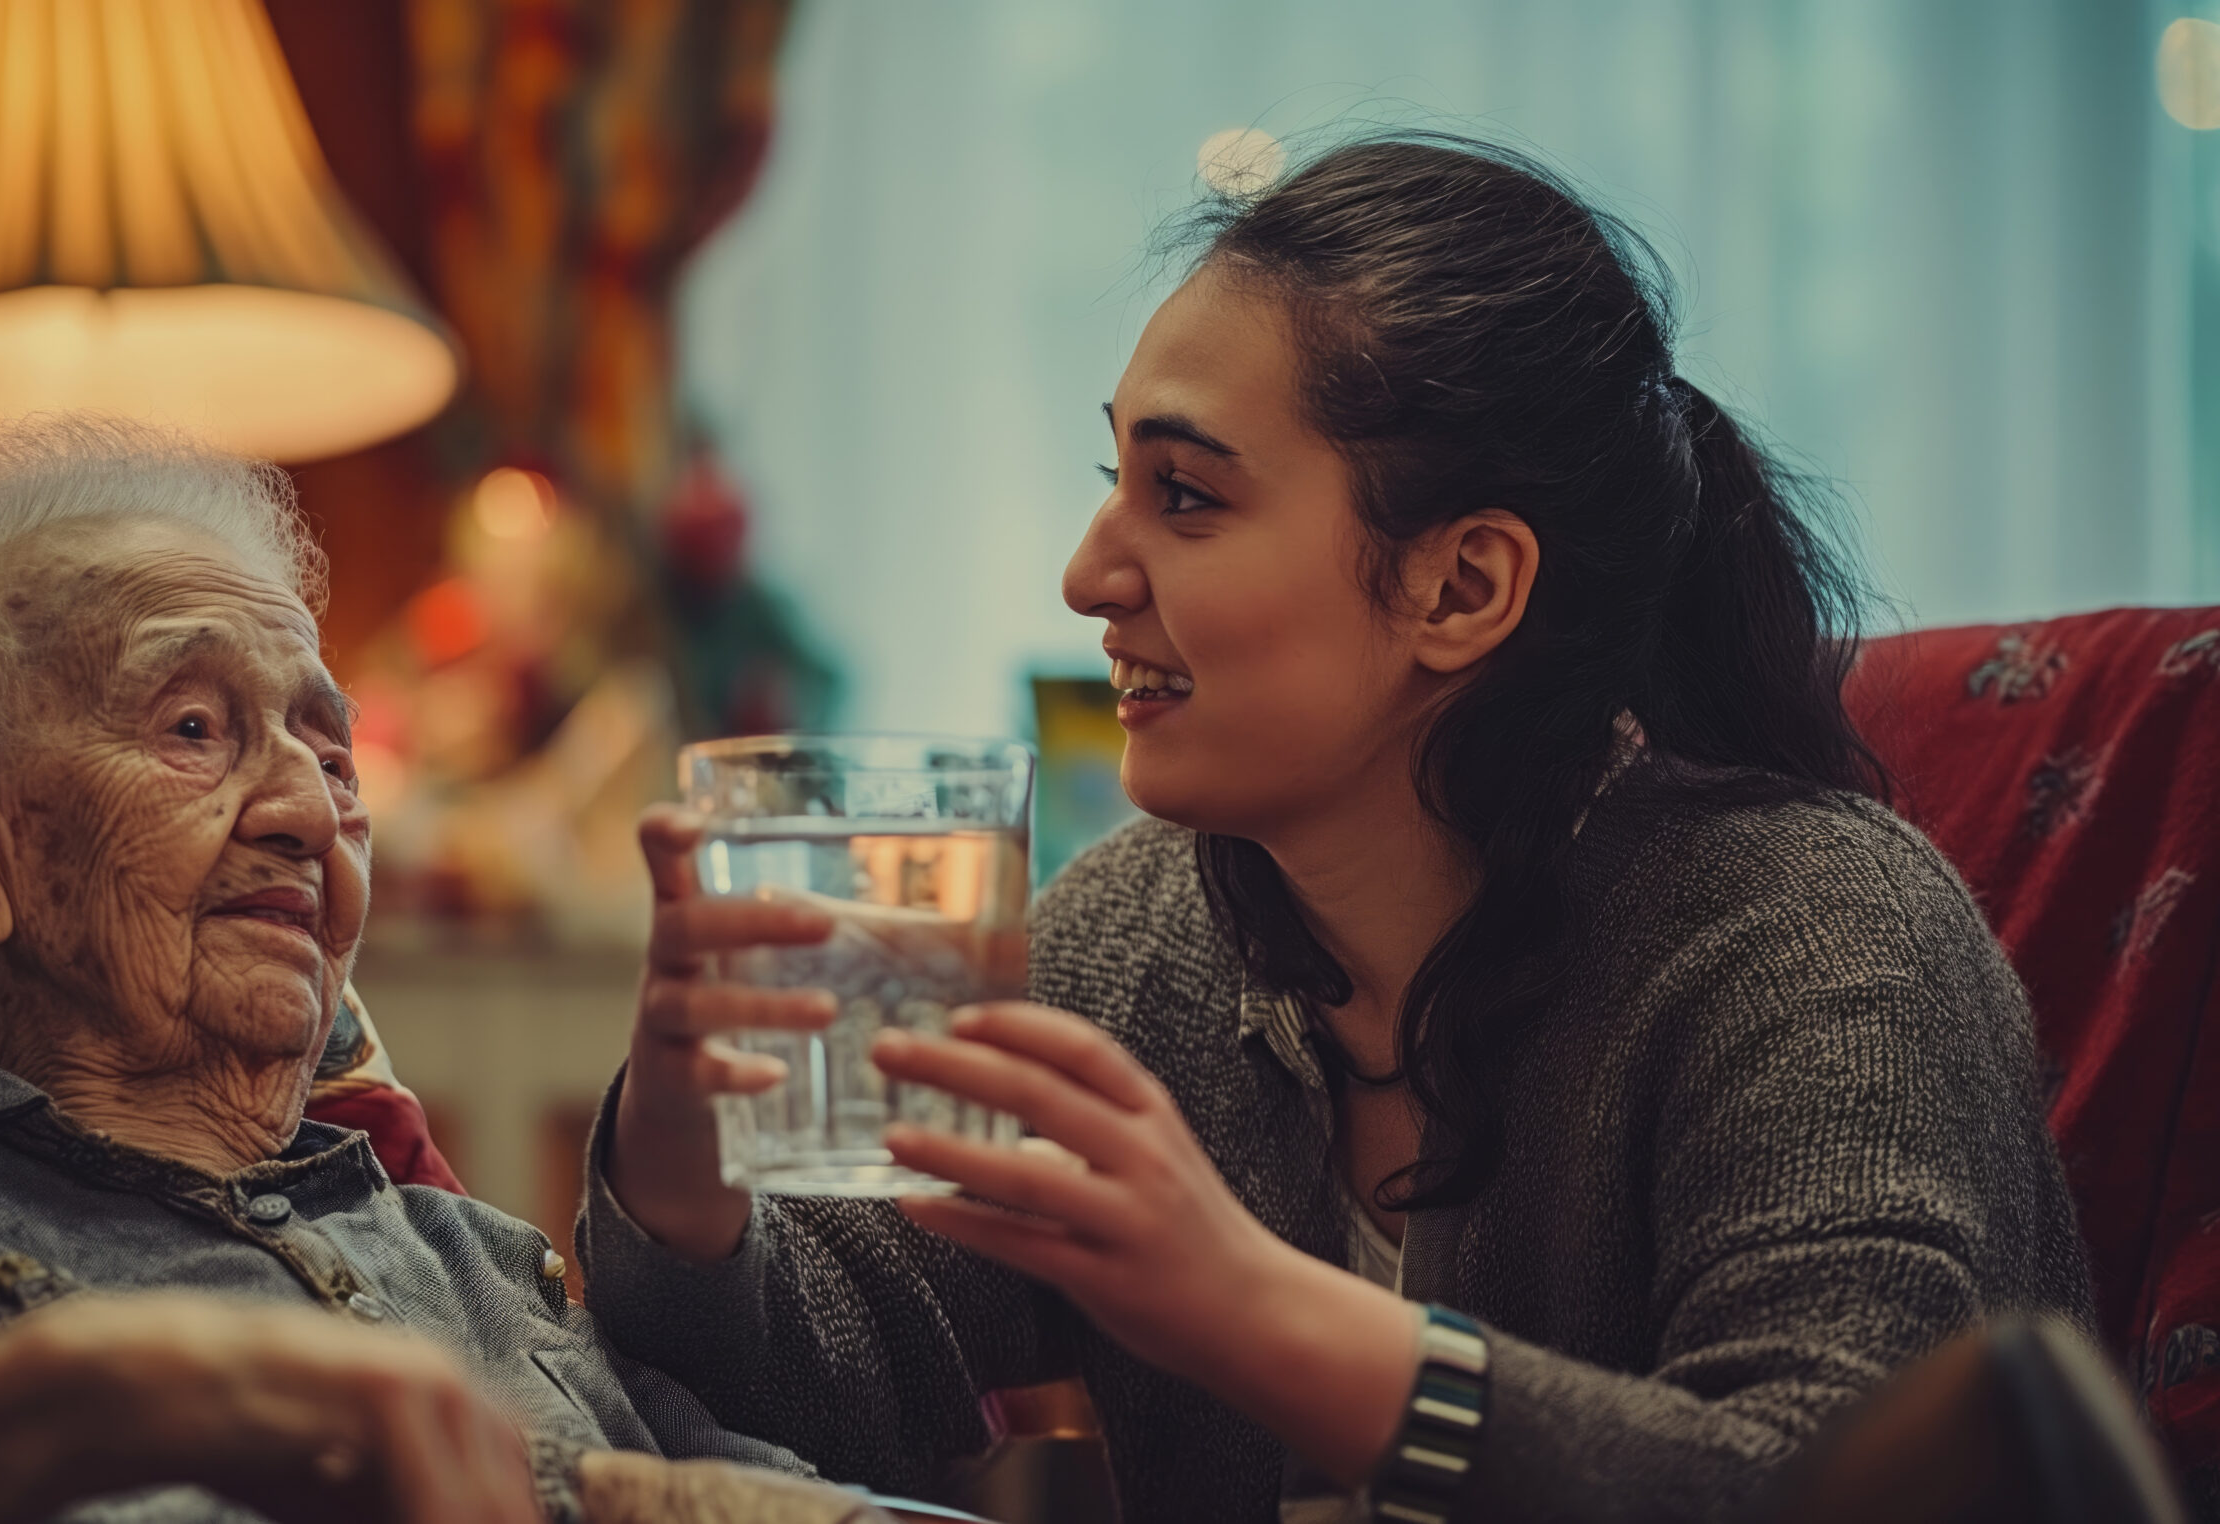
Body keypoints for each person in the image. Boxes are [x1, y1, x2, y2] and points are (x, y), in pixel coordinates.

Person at [578, 134, 2095, 1524]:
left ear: (1462, 588)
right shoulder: (1132, 943)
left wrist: (1247, 1305)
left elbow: (1837, 1487)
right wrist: (680, 1171)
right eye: (1115, 479)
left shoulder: (1816, 935)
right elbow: (814, 1395)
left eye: (1185, 496)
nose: (1087, 573)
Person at [0, 416, 841, 1524]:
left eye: (335, 762)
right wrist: (100, 1396)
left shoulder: (461, 1255)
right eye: (190, 729)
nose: (306, 813)